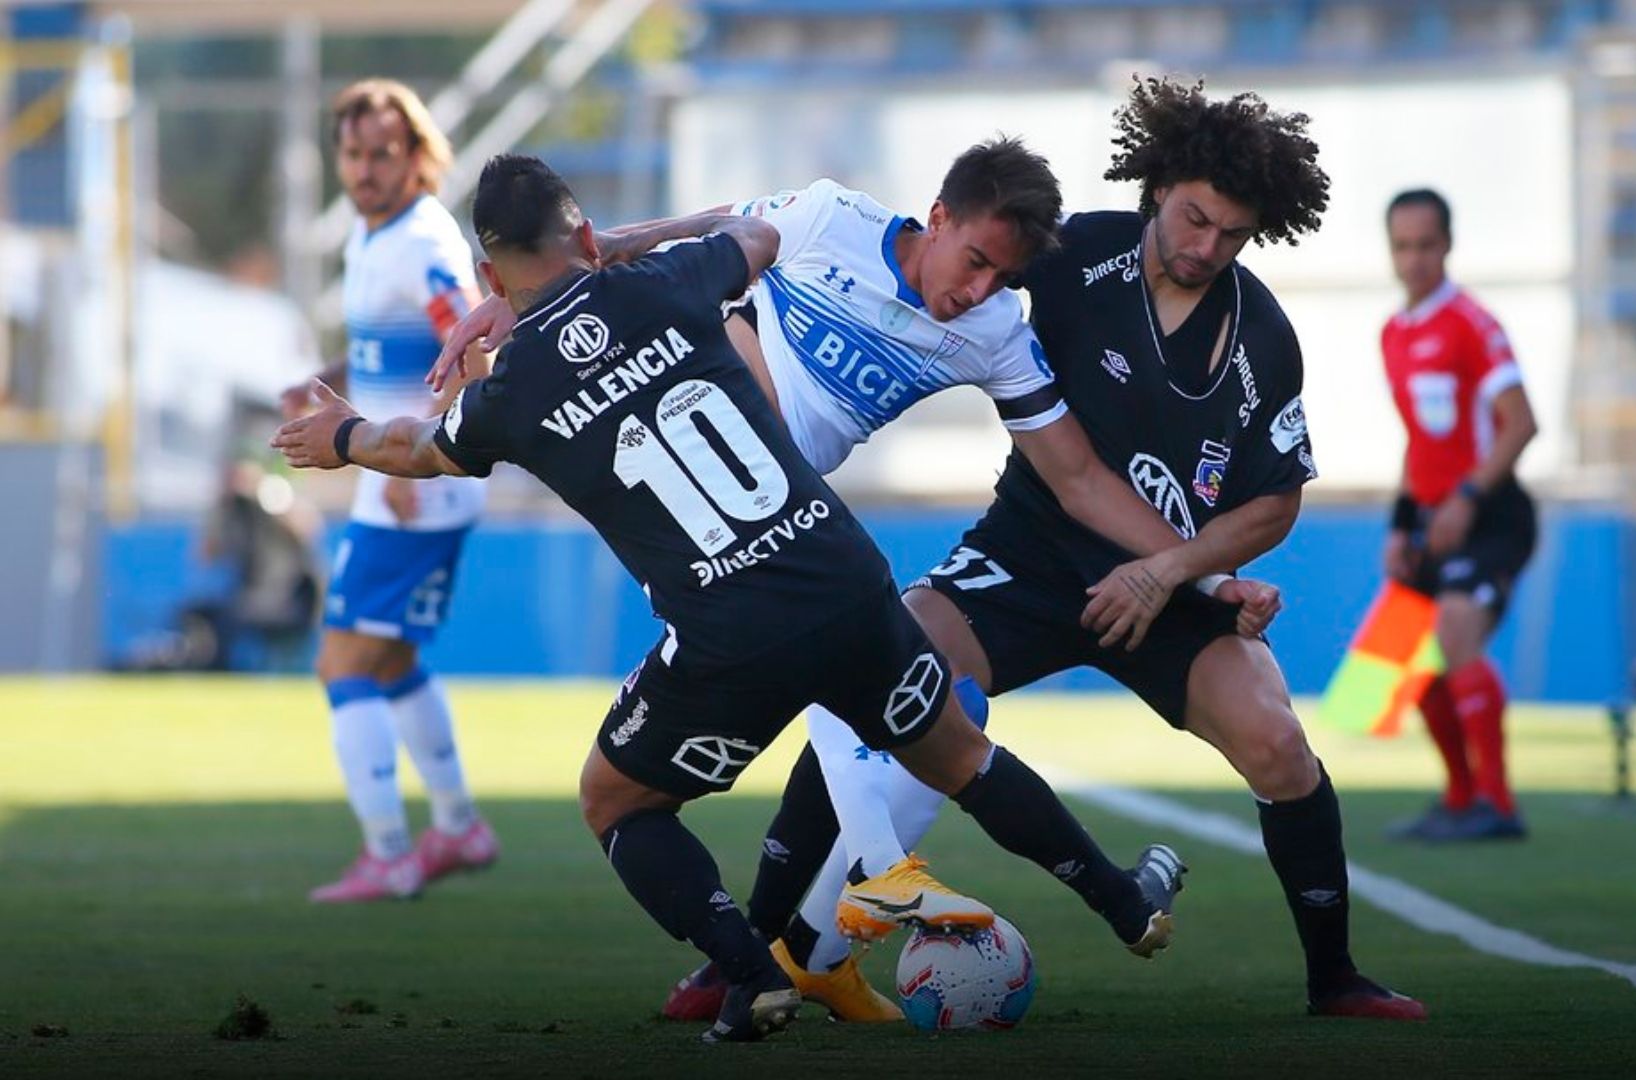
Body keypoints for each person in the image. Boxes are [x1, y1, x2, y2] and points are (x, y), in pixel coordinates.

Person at [274, 153, 1187, 1043]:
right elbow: (753, 232)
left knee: (617, 803)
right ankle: (1119, 900)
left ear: (486, 270)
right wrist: (634, 252)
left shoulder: (508, 393)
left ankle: (749, 973)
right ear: (589, 234)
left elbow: (417, 448)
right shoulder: (671, 283)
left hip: (726, 629)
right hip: (841, 578)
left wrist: (339, 432)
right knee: (959, 751)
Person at [705, 77, 1426, 1021]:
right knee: (884, 678)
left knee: (1279, 744)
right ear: (1157, 184)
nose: (1207, 246)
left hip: (1164, 583)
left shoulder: (1265, 340)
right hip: (1030, 556)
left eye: (1232, 234)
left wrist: (1187, 572)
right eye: (1194, 217)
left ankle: (1335, 980)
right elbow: (943, 263)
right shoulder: (1073, 252)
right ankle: (751, 950)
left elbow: (1277, 499)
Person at [280, 79, 496, 902]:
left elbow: (474, 347)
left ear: (416, 155)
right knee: (392, 658)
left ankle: (389, 854)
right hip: (392, 469)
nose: (366, 169)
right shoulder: (373, 235)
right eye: (354, 153)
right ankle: (459, 827)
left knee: (342, 663)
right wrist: (331, 379)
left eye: (383, 153)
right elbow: (400, 350)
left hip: (415, 480)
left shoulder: (423, 241)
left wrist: (421, 450)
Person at [1377, 187, 1539, 844]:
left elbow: (1522, 423)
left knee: (1455, 630)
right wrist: (1400, 523)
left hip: (1493, 515)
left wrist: (1468, 499)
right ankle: (1459, 798)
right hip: (1432, 520)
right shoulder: (1393, 332)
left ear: (1448, 245)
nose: (1414, 260)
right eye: (1402, 246)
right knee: (1396, 667)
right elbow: (1418, 441)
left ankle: (1498, 805)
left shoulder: (1474, 323)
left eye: (1426, 245)